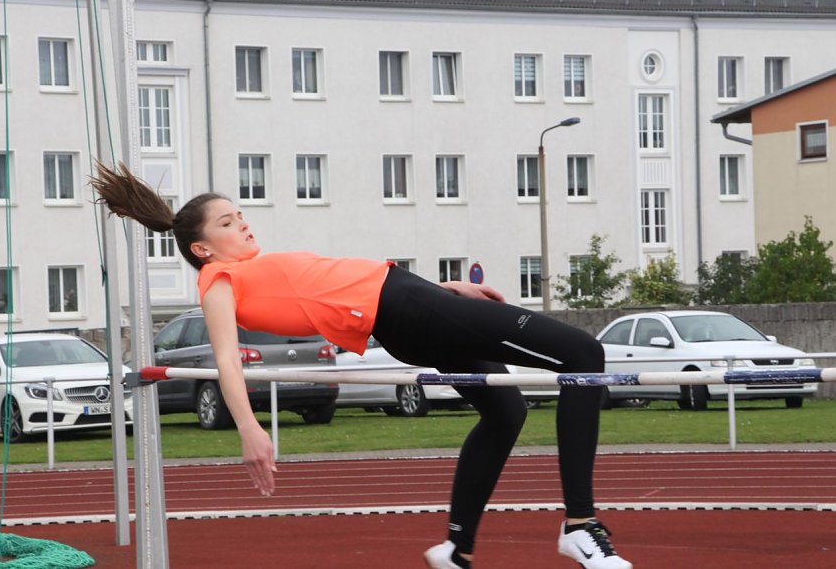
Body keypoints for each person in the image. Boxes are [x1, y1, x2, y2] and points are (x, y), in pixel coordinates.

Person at [91, 162, 631, 569]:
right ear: (202, 249)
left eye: (242, 216)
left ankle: (456, 547)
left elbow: (343, 287)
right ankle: (580, 523)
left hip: (412, 305)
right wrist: (250, 430)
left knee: (505, 413)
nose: (245, 227)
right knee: (584, 355)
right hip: (408, 312)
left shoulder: (257, 267)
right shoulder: (218, 282)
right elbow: (227, 360)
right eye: (229, 223)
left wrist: (446, 291)